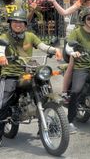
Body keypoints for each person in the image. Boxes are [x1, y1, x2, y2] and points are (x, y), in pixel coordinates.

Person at [0, 9, 62, 146]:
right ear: (10, 23)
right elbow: (1, 47)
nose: (18, 24)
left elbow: (42, 46)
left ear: (25, 24)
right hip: (10, 72)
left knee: (43, 83)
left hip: (27, 70)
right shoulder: (4, 37)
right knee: (3, 102)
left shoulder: (30, 36)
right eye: (15, 22)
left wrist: (55, 50)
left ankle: (46, 125)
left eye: (21, 22)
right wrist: (2, 55)